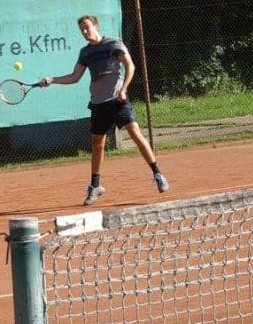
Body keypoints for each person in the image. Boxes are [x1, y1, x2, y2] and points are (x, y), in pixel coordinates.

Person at [38, 15, 169, 205]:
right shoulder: (85, 53)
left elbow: (130, 66)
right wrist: (52, 80)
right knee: (97, 145)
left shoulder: (113, 44)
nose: (84, 32)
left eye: (87, 28)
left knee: (135, 134)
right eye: (81, 29)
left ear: (96, 26)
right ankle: (95, 186)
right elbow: (75, 77)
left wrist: (123, 89)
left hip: (118, 100)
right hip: (98, 104)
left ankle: (158, 174)